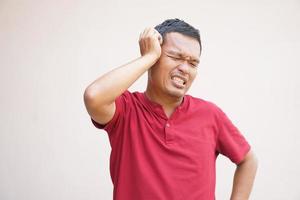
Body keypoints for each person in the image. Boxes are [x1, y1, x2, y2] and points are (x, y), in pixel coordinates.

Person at [83, 18, 258, 200]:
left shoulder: (210, 114)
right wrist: (148, 57)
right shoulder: (126, 110)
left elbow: (248, 160)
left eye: (193, 63)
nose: (184, 68)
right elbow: (94, 96)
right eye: (175, 57)